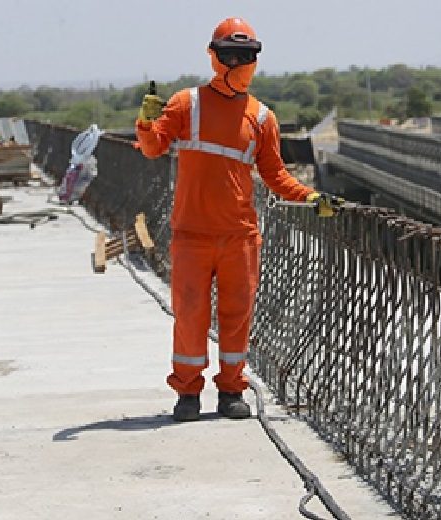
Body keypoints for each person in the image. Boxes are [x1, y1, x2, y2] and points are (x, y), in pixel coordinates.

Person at [135, 17, 341, 422]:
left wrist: (311, 195)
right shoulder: (184, 105)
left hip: (240, 237)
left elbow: (276, 175)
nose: (238, 63)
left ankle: (231, 390)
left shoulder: (262, 118)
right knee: (190, 315)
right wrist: (145, 122)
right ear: (214, 56)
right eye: (230, 54)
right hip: (192, 235)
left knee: (236, 317)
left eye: (245, 55)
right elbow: (153, 148)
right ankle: (187, 394)